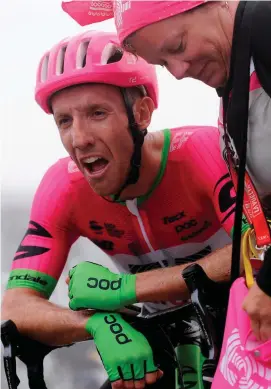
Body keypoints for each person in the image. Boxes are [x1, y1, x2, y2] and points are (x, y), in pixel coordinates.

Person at [2, 30, 238, 389]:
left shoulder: (202, 152)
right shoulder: (63, 187)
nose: (79, 138)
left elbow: (258, 250)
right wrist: (96, 324)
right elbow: (14, 308)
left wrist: (127, 288)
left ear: (141, 113)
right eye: (64, 121)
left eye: (97, 113)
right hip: (165, 346)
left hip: (246, 327)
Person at [61, 0, 271, 342]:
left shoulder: (264, 25)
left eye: (178, 46)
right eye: (162, 62)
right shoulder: (240, 71)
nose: (177, 70)